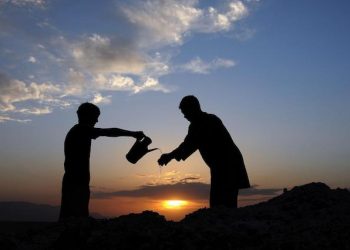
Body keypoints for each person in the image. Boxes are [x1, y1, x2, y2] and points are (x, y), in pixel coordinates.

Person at [158, 95, 250, 208]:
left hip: (227, 165)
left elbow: (189, 144)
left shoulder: (202, 123)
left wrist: (169, 156)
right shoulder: (208, 120)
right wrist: (171, 156)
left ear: (193, 108)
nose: (184, 116)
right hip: (224, 165)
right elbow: (189, 144)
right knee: (224, 204)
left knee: (221, 205)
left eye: (185, 112)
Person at [59, 102, 145, 220]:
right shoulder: (81, 130)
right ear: (87, 116)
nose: (97, 121)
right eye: (95, 117)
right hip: (75, 181)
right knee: (74, 218)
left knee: (74, 217)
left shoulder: (80, 131)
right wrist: (132, 133)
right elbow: (109, 132)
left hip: (77, 180)